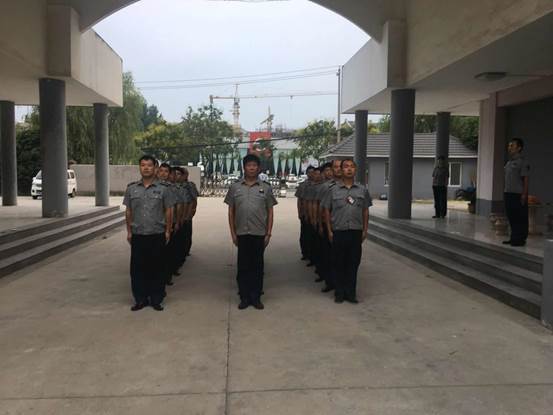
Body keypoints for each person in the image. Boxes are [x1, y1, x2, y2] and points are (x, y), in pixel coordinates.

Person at [225, 154, 277, 310]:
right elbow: (231, 211)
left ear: (258, 168)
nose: (252, 168)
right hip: (241, 233)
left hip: (259, 233)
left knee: (257, 267)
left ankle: (256, 297)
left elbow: (270, 211)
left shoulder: (266, 188)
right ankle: (244, 297)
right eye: (249, 165)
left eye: (254, 165)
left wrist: (268, 233)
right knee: (243, 267)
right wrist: (233, 233)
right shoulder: (235, 187)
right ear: (244, 168)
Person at [123, 155, 174, 312]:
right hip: (138, 234)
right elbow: (128, 211)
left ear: (155, 168)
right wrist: (129, 231)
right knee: (137, 269)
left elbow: (169, 210)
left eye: (149, 165)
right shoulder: (131, 189)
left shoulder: (164, 189)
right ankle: (140, 299)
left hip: (157, 234)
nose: (146, 168)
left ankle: (156, 299)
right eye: (143, 165)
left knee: (157, 268)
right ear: (139, 167)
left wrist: (168, 230)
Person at [322, 159, 371, 304]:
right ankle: (339, 293)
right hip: (339, 231)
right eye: (346, 167)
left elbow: (365, 210)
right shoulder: (332, 190)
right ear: (341, 170)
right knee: (338, 263)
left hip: (355, 231)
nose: (349, 169)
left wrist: (365, 229)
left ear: (355, 170)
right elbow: (326, 210)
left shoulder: (362, 190)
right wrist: (329, 230)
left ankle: (351, 293)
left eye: (352, 167)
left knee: (353, 263)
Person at [503, 138, 530, 247]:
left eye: (512, 146)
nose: (509, 148)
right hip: (508, 193)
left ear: (519, 148)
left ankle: (520, 239)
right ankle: (513, 237)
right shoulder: (509, 163)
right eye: (509, 146)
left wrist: (524, 194)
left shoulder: (523, 162)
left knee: (520, 217)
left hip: (518, 194)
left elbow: (526, 179)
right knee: (511, 216)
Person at [157, 163, 180, 286]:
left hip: (168, 223)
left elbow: (174, 207)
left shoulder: (172, 188)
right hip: (155, 224)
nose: (163, 174)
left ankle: (167, 276)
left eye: (166, 171)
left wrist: (173, 224)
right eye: (161, 171)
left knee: (168, 252)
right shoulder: (153, 186)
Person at [295, 166, 315, 261]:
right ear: (307, 173)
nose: (311, 174)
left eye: (313, 172)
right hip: (305, 213)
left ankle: (312, 254)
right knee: (304, 234)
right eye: (309, 172)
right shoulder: (302, 185)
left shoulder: (318, 185)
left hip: (315, 215)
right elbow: (299, 200)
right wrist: (299, 212)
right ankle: (305, 253)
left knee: (313, 235)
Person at [181, 168, 199, 257]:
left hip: (187, 212)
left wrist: (193, 210)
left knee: (187, 233)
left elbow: (194, 199)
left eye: (183, 174)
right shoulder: (174, 185)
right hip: (178, 213)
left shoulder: (190, 186)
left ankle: (186, 250)